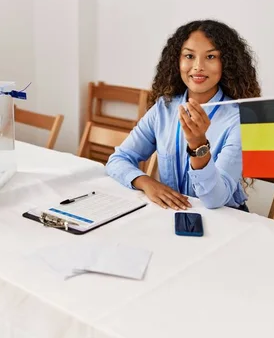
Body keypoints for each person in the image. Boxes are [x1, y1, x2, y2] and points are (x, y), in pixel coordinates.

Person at [106, 19, 261, 211]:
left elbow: (215, 199)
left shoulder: (241, 118)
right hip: (174, 212)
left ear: (227, 64)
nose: (198, 66)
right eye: (189, 56)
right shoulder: (165, 107)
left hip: (224, 219)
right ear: (177, 61)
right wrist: (146, 182)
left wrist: (199, 146)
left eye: (211, 57)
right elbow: (118, 159)